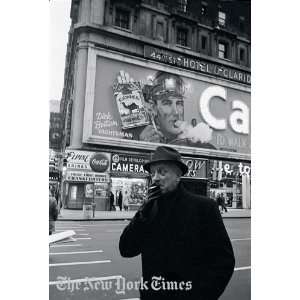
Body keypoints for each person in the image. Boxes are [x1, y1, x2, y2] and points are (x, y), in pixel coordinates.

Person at [119, 146, 235, 300]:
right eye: (152, 173)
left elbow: (223, 261)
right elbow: (126, 249)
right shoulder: (149, 210)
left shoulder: (204, 207)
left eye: (162, 172)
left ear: (178, 176)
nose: (155, 178)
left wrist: (201, 295)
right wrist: (143, 213)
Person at [140, 71, 216, 149]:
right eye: (167, 103)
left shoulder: (194, 143)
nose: (176, 112)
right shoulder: (146, 138)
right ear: (154, 108)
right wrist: (145, 148)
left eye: (179, 103)